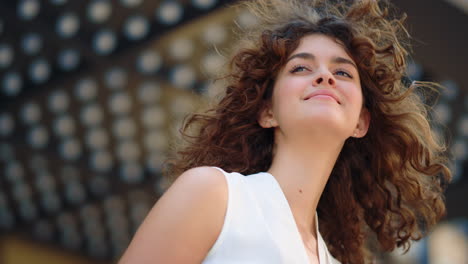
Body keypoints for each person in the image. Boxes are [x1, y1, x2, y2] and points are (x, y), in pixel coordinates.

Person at [119, 0, 452, 263]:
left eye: (343, 72)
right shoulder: (214, 195)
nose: (325, 76)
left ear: (360, 123)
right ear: (267, 112)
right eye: (301, 67)